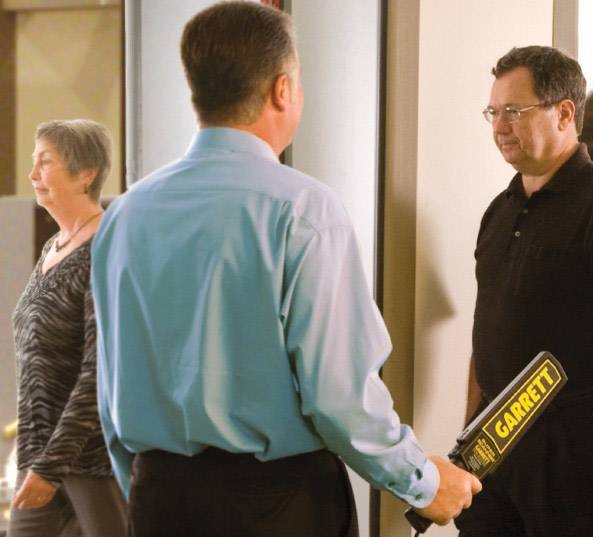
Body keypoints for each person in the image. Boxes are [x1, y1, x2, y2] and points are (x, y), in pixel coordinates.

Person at [90, 2, 480, 536]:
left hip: (160, 498)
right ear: (282, 89)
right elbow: (339, 397)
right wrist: (425, 483)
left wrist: (151, 491)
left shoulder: (125, 215)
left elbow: (110, 395)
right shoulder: (302, 210)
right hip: (278, 506)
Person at [456, 46, 593, 537]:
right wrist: (469, 433)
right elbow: (484, 331)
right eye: (493, 112)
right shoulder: (498, 210)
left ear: (564, 113)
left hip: (569, 468)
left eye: (514, 111)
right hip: (490, 458)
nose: (499, 126)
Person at [9, 119, 126, 537]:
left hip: (89, 462)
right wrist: (36, 462)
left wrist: (51, 465)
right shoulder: (52, 247)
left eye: (45, 162)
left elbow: (99, 372)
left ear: (86, 173)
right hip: (38, 457)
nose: (32, 175)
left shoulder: (105, 248)